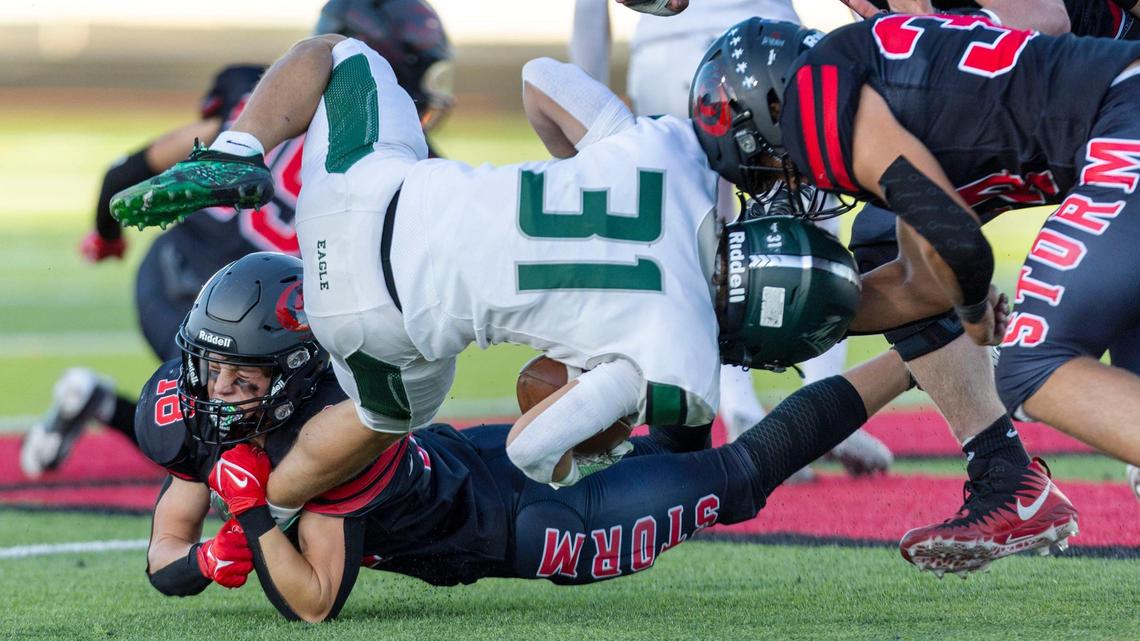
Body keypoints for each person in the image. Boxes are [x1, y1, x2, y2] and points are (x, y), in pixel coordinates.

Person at [110, 33, 868, 521]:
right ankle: (265, 501)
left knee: (342, 56)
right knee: (393, 415)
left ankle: (242, 146)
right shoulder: (683, 363)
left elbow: (540, 80)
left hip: (364, 195)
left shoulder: (667, 149)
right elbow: (530, 449)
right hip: (376, 321)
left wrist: (587, 173)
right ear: (763, 344)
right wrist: (591, 438)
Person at [141, 252, 916, 622]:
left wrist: (250, 518)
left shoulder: (337, 432)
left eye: (241, 376)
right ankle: (669, 330)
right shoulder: (217, 418)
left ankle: (916, 350)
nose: (216, 392)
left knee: (736, 478)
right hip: (477, 458)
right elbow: (165, 552)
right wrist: (206, 560)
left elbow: (312, 603)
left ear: (299, 370)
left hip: (533, 522)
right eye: (210, 369)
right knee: (686, 448)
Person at [689, 13, 1140, 571]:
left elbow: (960, 244)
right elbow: (920, 287)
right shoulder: (889, 97)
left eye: (766, 164)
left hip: (1121, 120)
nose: (788, 182)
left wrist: (975, 312)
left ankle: (1008, 473)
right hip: (1115, 120)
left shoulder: (815, 95)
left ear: (772, 105)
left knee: (1031, 367)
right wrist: (776, 313)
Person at [19, 0, 454, 478]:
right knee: (252, 445)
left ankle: (99, 402)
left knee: (233, 425)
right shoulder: (404, 159)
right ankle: (111, 412)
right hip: (241, 313)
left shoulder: (259, 95)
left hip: (169, 277)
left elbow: (125, 171)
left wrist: (106, 238)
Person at [569, 0, 892, 482]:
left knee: (704, 239)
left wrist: (588, 107)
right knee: (817, 216)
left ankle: (740, 406)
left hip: (665, 57)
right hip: (770, 47)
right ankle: (825, 404)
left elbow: (590, 11)